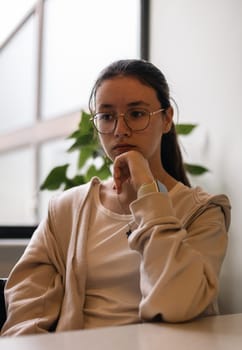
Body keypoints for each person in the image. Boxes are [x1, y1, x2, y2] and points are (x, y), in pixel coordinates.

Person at [1, 59, 231, 336]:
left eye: (136, 114)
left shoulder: (203, 210)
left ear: (167, 118)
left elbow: (176, 304)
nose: (120, 129)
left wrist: (147, 192)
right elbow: (26, 312)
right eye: (107, 116)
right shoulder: (65, 209)